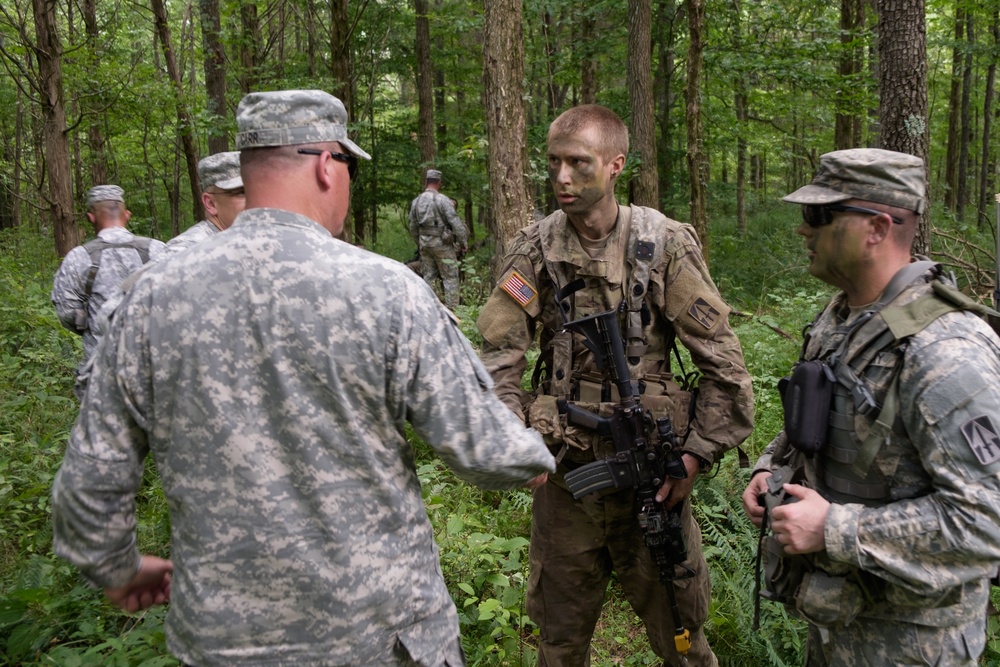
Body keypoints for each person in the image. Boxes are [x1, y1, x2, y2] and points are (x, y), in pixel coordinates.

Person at [51, 89, 556, 667]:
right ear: (324, 164)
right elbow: (485, 451)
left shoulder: (148, 298)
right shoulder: (387, 291)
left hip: (224, 644)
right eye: (347, 166)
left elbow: (88, 487)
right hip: (378, 636)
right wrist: (536, 456)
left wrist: (117, 568)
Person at [476, 104, 755, 666]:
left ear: (615, 165)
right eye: (553, 162)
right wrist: (515, 441)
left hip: (652, 484)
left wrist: (694, 459)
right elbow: (499, 361)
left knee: (682, 640)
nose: (561, 177)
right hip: (566, 480)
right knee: (558, 640)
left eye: (578, 163)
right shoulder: (534, 250)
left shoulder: (665, 245)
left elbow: (724, 367)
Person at [741, 148, 1000, 666]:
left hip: (914, 644)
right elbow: (825, 416)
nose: (802, 230)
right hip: (840, 623)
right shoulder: (845, 320)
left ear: (877, 228)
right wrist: (773, 464)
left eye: (819, 215)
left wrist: (834, 527)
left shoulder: (945, 350)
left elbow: (986, 519)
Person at [51, 185, 166, 395]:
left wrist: (91, 324)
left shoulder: (79, 257)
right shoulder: (158, 250)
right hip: (154, 364)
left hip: (101, 367)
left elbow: (66, 312)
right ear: (127, 215)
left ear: (91, 218)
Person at [408, 169, 468, 308]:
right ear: (439, 182)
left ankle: (428, 309)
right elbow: (455, 222)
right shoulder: (442, 200)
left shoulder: (416, 201)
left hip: (425, 244)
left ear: (426, 182)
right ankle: (453, 311)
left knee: (428, 277)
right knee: (450, 277)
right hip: (442, 245)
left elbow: (412, 225)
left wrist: (419, 242)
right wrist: (462, 242)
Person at [165, 151, 245, 254]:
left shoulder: (248, 241)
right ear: (210, 203)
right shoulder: (186, 251)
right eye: (241, 193)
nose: (256, 201)